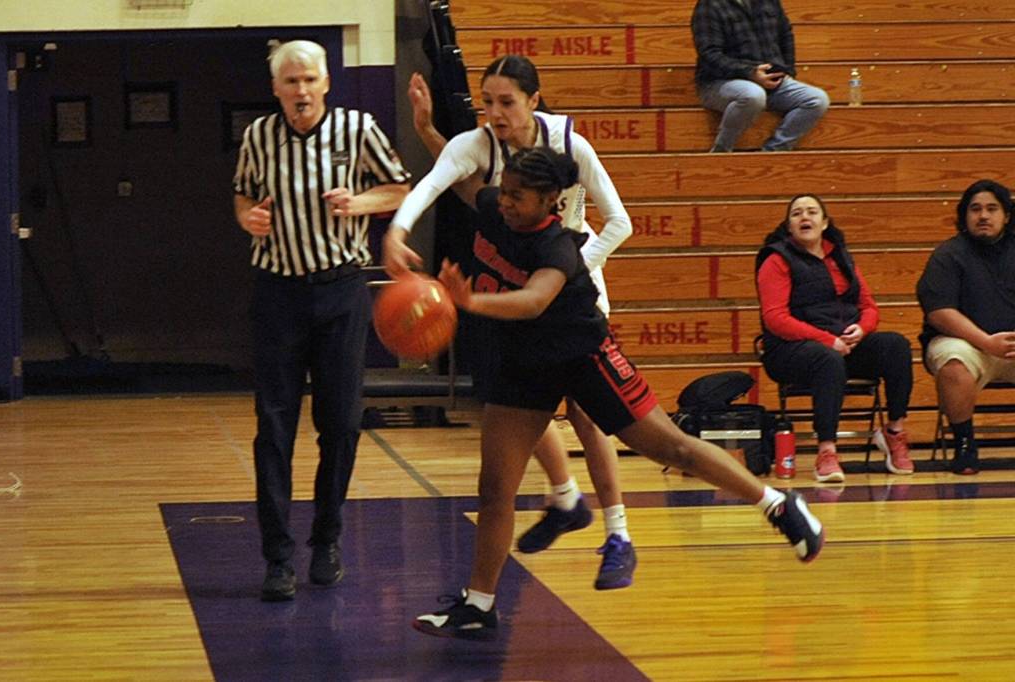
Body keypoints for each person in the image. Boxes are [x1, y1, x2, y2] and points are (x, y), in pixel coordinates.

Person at [411, 147, 824, 641]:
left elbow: (533, 300)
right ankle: (479, 606)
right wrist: (429, 131)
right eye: (507, 192)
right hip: (525, 364)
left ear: (551, 203)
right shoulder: (497, 203)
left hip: (585, 356)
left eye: (519, 197)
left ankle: (778, 504)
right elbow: (456, 174)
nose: (507, 203)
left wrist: (468, 301)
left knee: (671, 447)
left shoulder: (558, 246)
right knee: (495, 488)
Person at [384, 56, 638, 590]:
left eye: (506, 102)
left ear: (533, 101)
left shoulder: (570, 144)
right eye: (486, 102)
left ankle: (618, 535)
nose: (495, 113)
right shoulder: (477, 145)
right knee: (518, 401)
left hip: (572, 291)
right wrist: (396, 231)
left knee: (588, 416)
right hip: (512, 290)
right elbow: (434, 185)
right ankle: (566, 499)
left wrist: (572, 269)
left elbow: (620, 222)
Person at [232, 40, 411, 601]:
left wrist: (361, 203)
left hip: (341, 291)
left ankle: (327, 539)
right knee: (274, 427)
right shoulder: (258, 136)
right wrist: (250, 219)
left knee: (340, 423)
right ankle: (278, 557)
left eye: (309, 80)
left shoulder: (358, 128)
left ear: (326, 82)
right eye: (291, 82)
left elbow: (400, 187)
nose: (301, 91)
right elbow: (242, 197)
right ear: (277, 89)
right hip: (278, 293)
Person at [755, 194, 915, 483]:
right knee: (827, 360)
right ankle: (826, 451)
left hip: (843, 345)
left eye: (812, 212)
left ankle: (893, 432)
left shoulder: (841, 257)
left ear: (824, 222)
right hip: (790, 351)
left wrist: (862, 330)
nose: (805, 217)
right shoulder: (776, 259)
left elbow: (869, 307)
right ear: (789, 227)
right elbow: (775, 319)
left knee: (896, 346)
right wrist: (827, 340)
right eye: (797, 213)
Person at [917, 179, 1015, 475]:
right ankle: (964, 445)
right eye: (975, 209)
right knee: (954, 360)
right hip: (968, 344)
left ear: (1006, 216)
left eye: (991, 209)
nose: (983, 216)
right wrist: (986, 342)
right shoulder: (948, 254)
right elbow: (939, 312)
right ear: (964, 216)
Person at [691, 0, 829, 152]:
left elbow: (785, 35)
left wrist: (787, 71)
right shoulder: (709, 5)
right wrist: (750, 73)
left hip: (769, 81)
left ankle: (773, 151)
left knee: (817, 99)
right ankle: (721, 151)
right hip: (719, 82)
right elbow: (709, 54)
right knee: (753, 96)